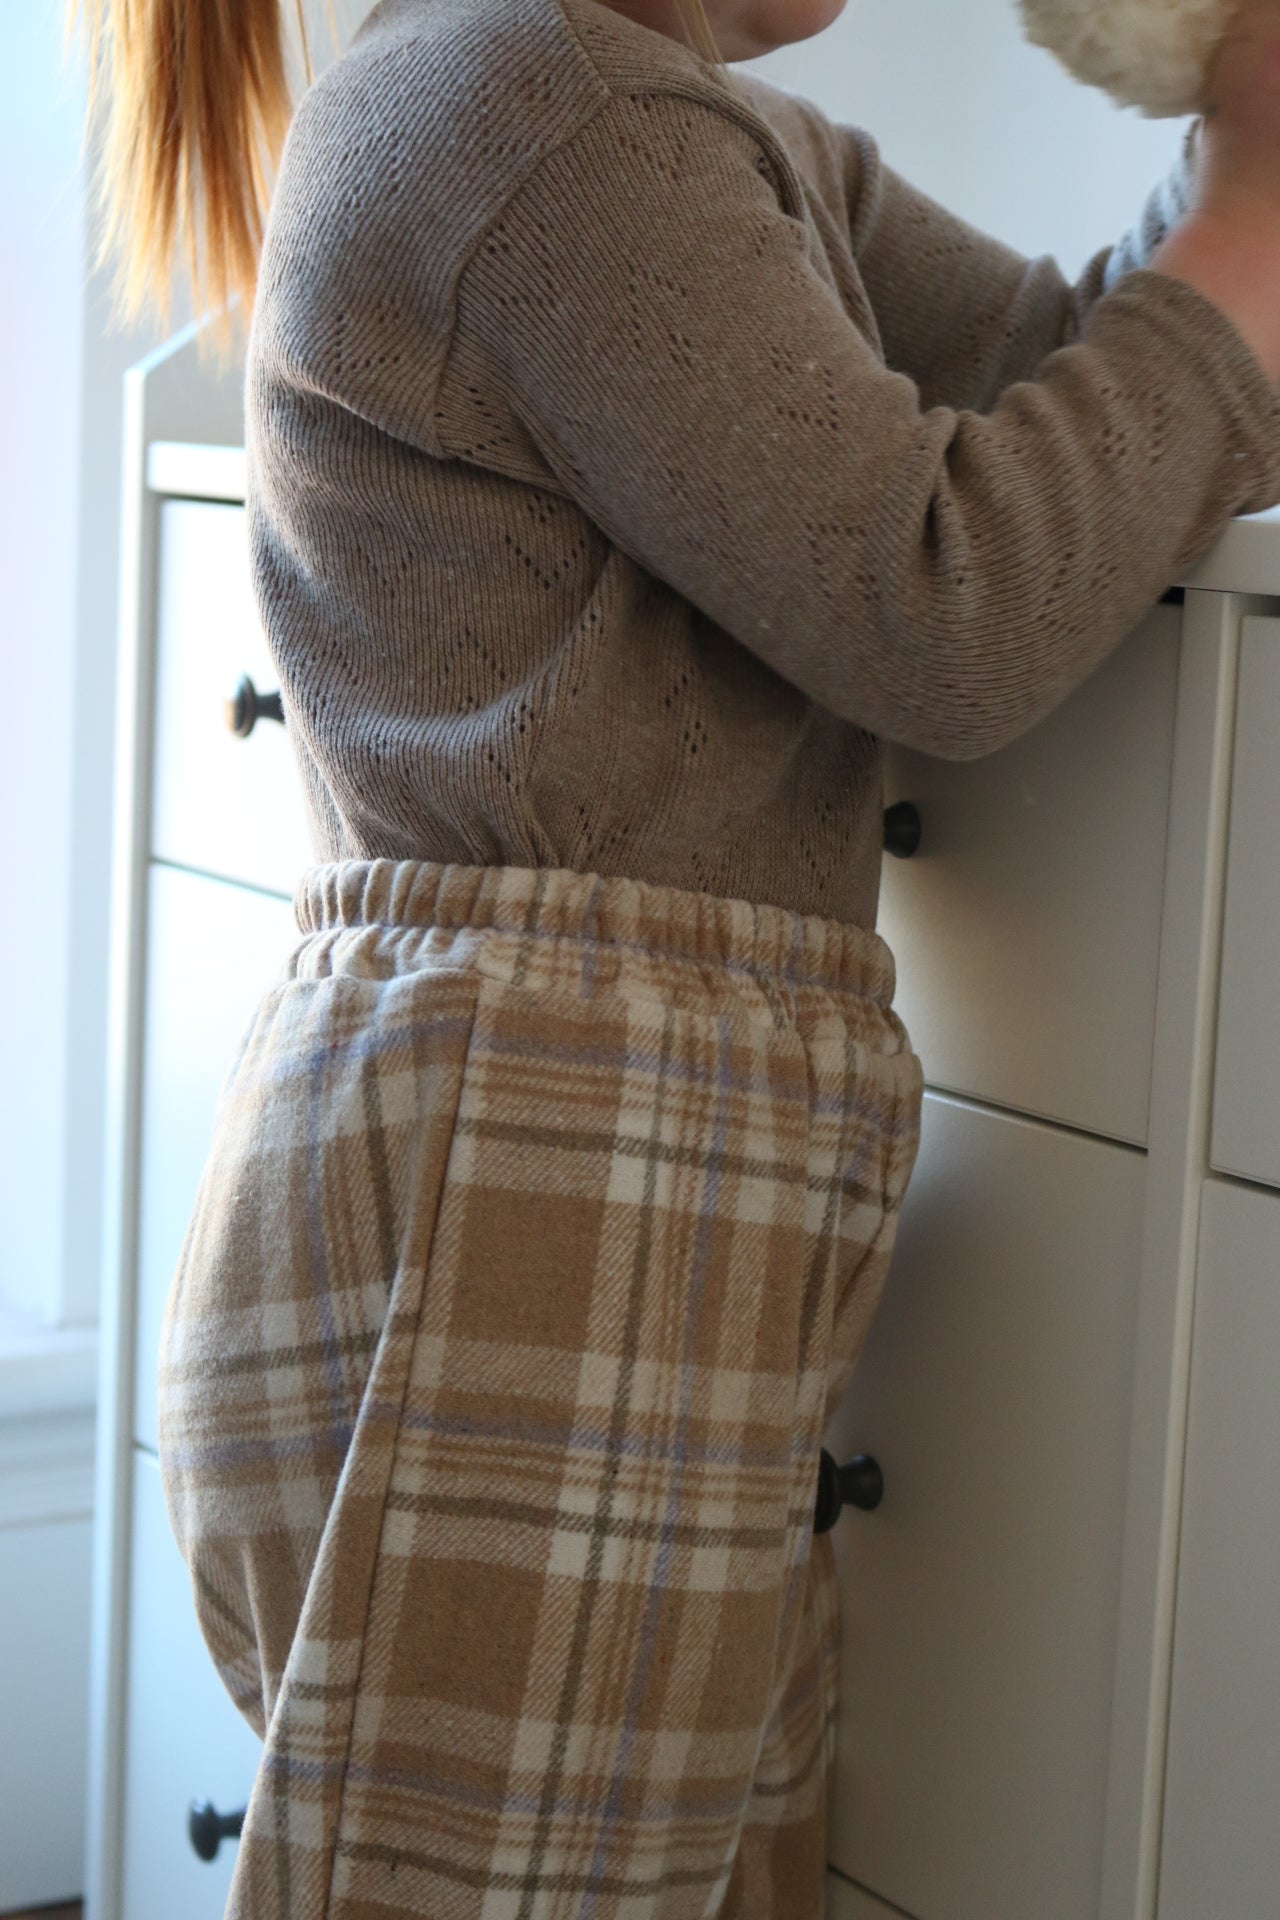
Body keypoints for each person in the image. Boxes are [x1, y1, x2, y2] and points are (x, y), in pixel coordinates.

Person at [72, 0, 1280, 1911]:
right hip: (530, 1233)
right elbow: (942, 602)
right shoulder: (537, 108)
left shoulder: (702, 132)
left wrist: (1230, 185)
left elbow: (1064, 375)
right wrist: (1255, 239)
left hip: (618, 1223)